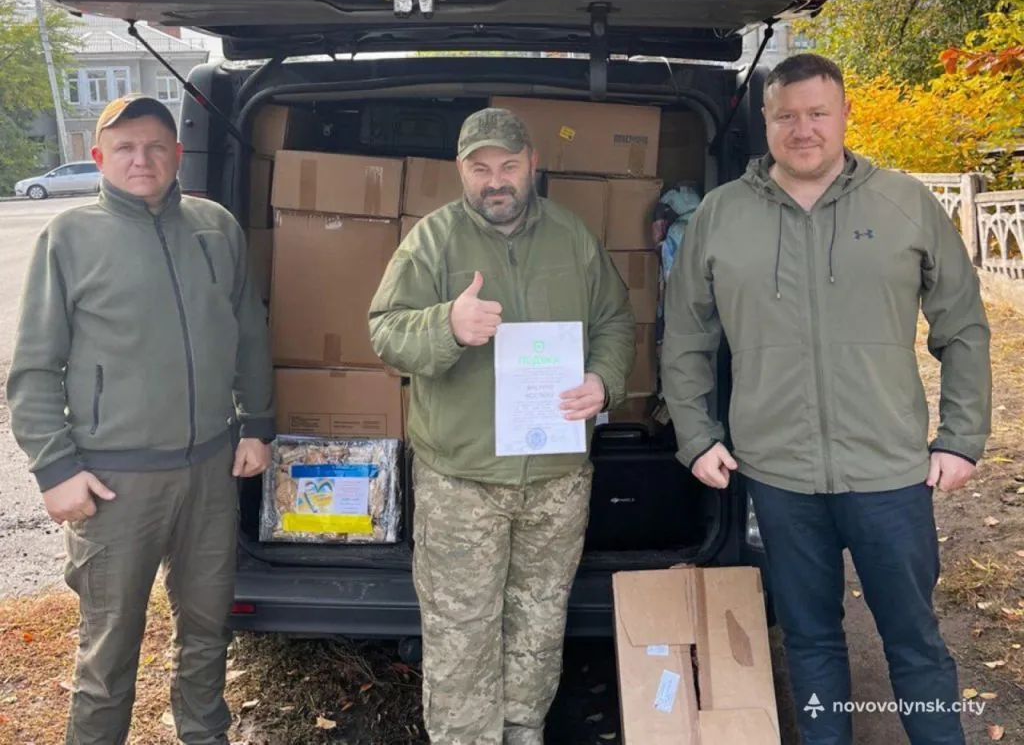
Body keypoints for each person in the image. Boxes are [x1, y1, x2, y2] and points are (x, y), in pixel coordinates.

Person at [661, 53, 991, 745]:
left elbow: (962, 326)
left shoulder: (904, 203)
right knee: (810, 639)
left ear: (844, 115)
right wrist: (697, 434)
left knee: (914, 640)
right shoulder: (721, 215)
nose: (802, 129)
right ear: (765, 121)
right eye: (786, 115)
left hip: (889, 471)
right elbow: (686, 335)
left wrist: (961, 438)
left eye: (818, 113)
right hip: (778, 474)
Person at [6, 94, 274, 745]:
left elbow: (248, 332)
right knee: (109, 650)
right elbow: (34, 368)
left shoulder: (216, 226)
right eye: (125, 147)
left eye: (155, 146)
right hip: (114, 483)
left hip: (210, 470)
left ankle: (204, 734)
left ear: (178, 154)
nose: (142, 159)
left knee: (208, 630)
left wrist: (256, 423)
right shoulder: (69, 238)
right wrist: (55, 468)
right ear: (99, 158)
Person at [368, 107, 635, 744]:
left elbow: (615, 321)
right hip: (462, 482)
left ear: (532, 164)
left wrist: (603, 380)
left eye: (508, 165)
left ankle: (522, 733)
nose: (495, 181)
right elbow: (384, 330)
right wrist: (445, 326)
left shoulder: (572, 237)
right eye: (480, 167)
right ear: (461, 170)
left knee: (538, 630)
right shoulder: (432, 241)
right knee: (461, 636)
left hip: (556, 482)